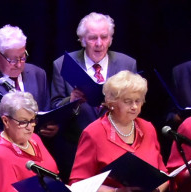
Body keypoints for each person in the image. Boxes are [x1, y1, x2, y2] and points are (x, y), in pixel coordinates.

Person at [50, 12, 137, 163]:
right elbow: (54, 108)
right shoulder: (62, 64)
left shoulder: (127, 64)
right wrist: (71, 101)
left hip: (117, 147)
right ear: (82, 40)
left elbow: (136, 105)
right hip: (76, 149)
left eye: (104, 37)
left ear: (110, 39)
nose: (99, 43)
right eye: (92, 38)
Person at [0, 25, 54, 149]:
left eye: (23, 57)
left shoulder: (38, 74)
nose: (19, 64)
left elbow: (46, 112)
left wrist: (49, 127)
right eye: (12, 60)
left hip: (35, 152)